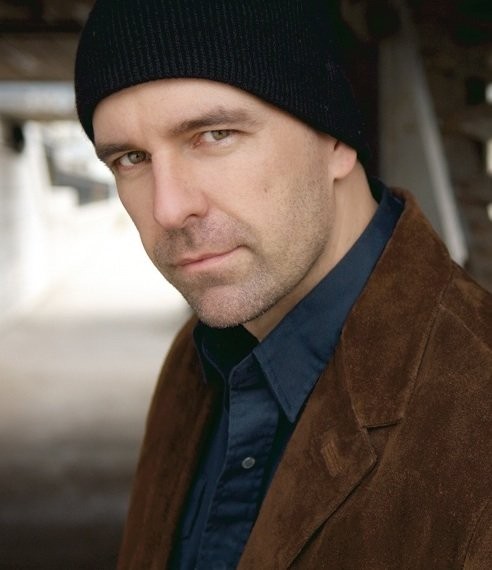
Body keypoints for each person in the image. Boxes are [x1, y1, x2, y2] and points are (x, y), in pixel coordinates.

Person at [74, 1, 492, 568]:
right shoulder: (196, 359)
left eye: (215, 134)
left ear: (335, 139)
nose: (168, 208)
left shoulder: (475, 410)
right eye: (131, 158)